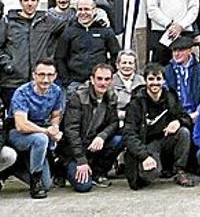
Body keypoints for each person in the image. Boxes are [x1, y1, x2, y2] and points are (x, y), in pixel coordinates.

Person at [123, 63, 195, 190]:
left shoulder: (170, 97)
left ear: (163, 81)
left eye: (158, 79)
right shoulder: (136, 103)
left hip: (165, 140)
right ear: (145, 80)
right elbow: (129, 135)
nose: (155, 83)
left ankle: (179, 171)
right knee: (149, 175)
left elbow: (186, 118)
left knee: (183, 132)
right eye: (151, 79)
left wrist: (179, 121)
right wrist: (144, 156)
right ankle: (156, 167)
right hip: (146, 144)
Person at [0, 0, 69, 108]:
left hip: (38, 81)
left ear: (38, 2)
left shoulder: (47, 21)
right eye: (26, 0)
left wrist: (98, 18)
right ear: (21, 2)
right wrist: (8, 64)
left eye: (33, 0)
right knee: (14, 119)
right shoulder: (7, 22)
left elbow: (70, 23)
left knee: (36, 120)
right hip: (13, 81)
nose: (30, 3)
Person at [59, 64, 122, 192]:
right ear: (92, 79)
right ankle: (61, 170)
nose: (103, 83)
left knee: (119, 139)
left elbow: (114, 123)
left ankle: (99, 173)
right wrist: (81, 160)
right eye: (99, 79)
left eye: (106, 79)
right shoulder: (78, 97)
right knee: (84, 187)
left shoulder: (111, 96)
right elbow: (71, 131)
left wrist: (102, 136)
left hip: (94, 146)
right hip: (74, 151)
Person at [7, 58, 64, 198]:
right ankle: (35, 182)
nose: (45, 79)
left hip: (39, 133)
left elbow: (56, 115)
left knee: (48, 185)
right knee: (41, 139)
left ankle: (17, 168)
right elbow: (21, 125)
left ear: (55, 76)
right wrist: (47, 131)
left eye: (50, 75)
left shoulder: (56, 91)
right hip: (16, 133)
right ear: (34, 75)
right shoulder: (22, 92)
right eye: (41, 74)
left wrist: (55, 127)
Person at [56, 0, 120, 90]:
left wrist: (109, 74)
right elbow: (59, 57)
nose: (83, 13)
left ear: (94, 11)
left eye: (86, 9)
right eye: (80, 9)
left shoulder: (105, 31)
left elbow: (116, 54)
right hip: (75, 83)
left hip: (100, 82)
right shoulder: (69, 32)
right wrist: (67, 81)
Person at [164, 36, 200, 119]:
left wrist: (198, 113)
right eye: (174, 50)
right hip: (175, 115)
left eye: (181, 50)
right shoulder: (166, 71)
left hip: (198, 114)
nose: (176, 54)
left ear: (189, 51)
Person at [111, 49, 144, 122]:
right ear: (117, 65)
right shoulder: (110, 82)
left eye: (130, 63)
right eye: (124, 63)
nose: (127, 66)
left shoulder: (142, 82)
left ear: (135, 66)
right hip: (116, 121)